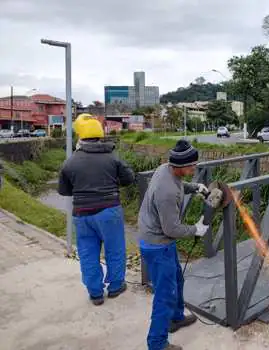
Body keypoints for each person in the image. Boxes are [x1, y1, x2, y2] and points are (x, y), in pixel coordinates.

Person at [138, 138, 210, 350]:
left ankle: (176, 318)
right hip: (157, 244)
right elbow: (172, 229)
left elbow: (179, 184)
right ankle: (157, 343)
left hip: (161, 241)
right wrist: (195, 229)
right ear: (182, 166)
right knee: (165, 295)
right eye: (193, 165)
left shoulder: (166, 169)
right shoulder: (166, 192)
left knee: (177, 280)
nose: (195, 167)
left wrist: (194, 187)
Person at [58, 113, 135, 306]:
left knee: (87, 253)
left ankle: (95, 293)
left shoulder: (70, 162)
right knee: (115, 249)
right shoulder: (112, 157)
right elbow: (128, 179)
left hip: (82, 214)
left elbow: (64, 191)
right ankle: (116, 286)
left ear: (80, 137)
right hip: (109, 210)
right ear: (100, 135)